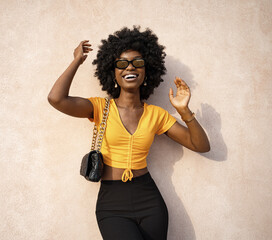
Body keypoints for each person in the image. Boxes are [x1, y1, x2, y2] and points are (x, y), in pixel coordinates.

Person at [48, 26, 210, 240]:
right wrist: (77, 60)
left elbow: (201, 145)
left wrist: (184, 111)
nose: (129, 68)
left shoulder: (156, 115)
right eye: (122, 64)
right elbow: (56, 99)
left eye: (138, 63)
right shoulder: (99, 108)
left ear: (146, 71)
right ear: (113, 72)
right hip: (112, 202)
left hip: (149, 198)